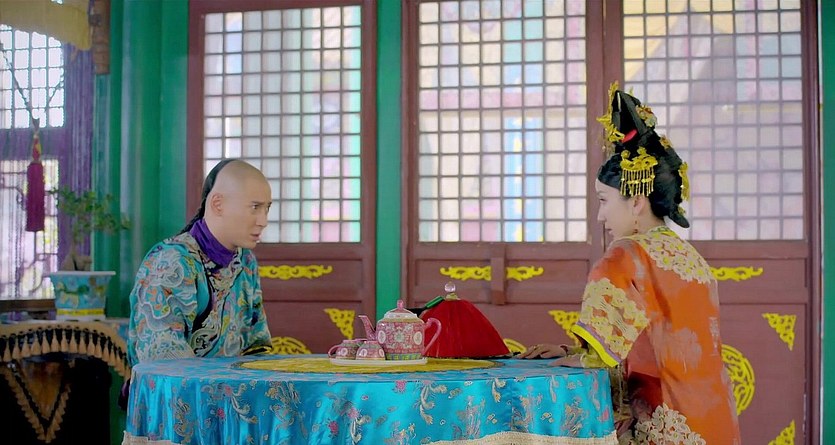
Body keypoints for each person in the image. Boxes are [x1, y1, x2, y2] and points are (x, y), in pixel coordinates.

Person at [518, 83, 741, 444]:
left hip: (664, 427)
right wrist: (577, 351)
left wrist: (583, 357)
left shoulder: (626, 256)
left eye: (604, 200)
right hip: (714, 422)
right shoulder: (690, 256)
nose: (601, 216)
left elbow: (601, 356)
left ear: (636, 201)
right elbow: (646, 341)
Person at [127, 159, 273, 365]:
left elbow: (257, 345)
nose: (263, 221)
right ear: (218, 204)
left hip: (234, 384)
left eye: (267, 208)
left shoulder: (245, 261)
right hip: (179, 385)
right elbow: (164, 360)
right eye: (255, 207)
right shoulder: (172, 263)